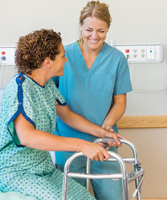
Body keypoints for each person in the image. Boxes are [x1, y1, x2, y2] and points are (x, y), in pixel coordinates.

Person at [0, 29, 124, 200]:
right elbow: (27, 136)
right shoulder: (20, 87)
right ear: (48, 62)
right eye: (63, 56)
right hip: (14, 172)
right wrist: (82, 146)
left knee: (85, 197)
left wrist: (103, 133)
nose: (66, 60)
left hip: (43, 170)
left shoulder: (48, 86)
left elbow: (68, 116)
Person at [53, 1, 133, 199]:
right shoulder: (63, 56)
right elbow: (55, 103)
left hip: (104, 141)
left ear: (108, 30)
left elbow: (120, 102)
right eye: (89, 29)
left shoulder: (117, 59)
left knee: (113, 195)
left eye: (101, 31)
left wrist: (106, 128)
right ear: (80, 25)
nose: (94, 36)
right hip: (68, 142)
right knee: (72, 196)